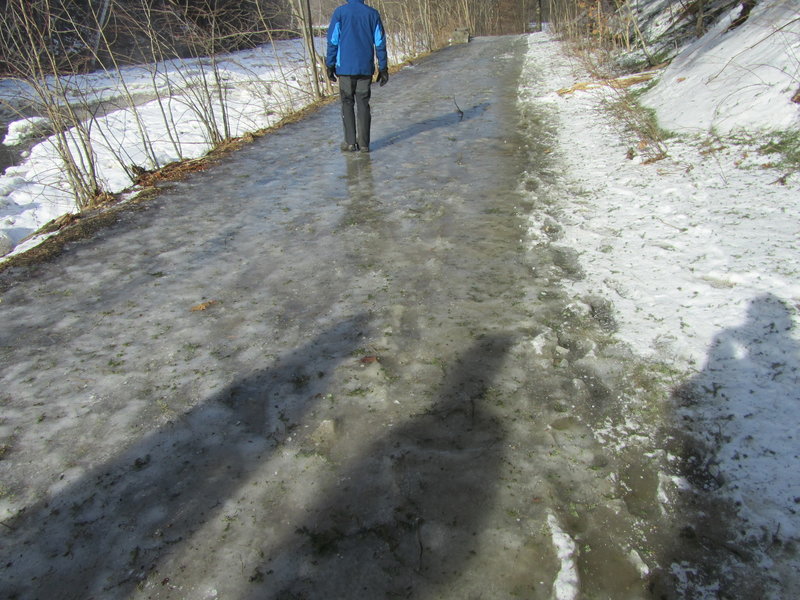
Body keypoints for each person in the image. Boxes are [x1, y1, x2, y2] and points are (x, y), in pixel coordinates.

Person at [326, 0, 389, 154]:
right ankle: (364, 144)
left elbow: (332, 41)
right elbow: (380, 42)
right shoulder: (372, 14)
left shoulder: (340, 13)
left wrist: (330, 64)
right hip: (365, 68)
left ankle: (350, 142)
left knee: (347, 103)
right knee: (363, 103)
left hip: (345, 69)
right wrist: (383, 67)